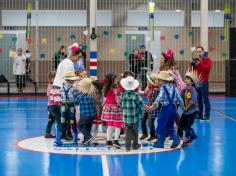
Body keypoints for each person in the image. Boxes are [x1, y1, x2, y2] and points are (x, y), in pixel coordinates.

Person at [147, 71, 184, 148]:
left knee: (161, 125)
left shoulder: (163, 88)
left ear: (163, 80)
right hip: (173, 109)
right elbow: (180, 99)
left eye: (159, 80)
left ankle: (160, 143)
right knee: (169, 126)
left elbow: (159, 98)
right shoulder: (175, 88)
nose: (159, 82)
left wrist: (152, 106)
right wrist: (184, 108)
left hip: (165, 109)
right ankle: (175, 139)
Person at [54, 71, 79, 146]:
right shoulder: (74, 88)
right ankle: (74, 139)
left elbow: (60, 97)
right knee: (73, 122)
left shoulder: (62, 88)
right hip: (71, 106)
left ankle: (57, 139)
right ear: (71, 80)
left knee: (62, 122)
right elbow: (76, 98)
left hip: (63, 107)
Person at [120, 76, 143, 152]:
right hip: (134, 117)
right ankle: (135, 144)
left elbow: (120, 104)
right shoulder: (136, 95)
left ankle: (127, 146)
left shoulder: (123, 95)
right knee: (135, 131)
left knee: (128, 132)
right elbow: (140, 104)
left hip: (126, 117)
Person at [101, 73, 123, 148]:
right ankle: (116, 141)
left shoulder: (106, 88)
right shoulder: (115, 88)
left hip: (107, 108)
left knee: (110, 125)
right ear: (113, 79)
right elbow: (118, 100)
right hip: (115, 108)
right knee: (118, 125)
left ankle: (108, 141)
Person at [190, 46, 212, 120]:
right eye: (197, 52)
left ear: (203, 52)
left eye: (200, 51)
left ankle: (207, 115)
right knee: (198, 99)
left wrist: (200, 64)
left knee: (205, 99)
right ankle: (199, 114)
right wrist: (192, 64)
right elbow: (191, 71)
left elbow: (207, 69)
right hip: (197, 82)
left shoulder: (207, 60)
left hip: (204, 82)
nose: (199, 53)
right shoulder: (195, 61)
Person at [74, 78, 97, 144]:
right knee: (88, 127)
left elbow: (76, 103)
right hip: (92, 114)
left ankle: (89, 137)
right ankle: (86, 139)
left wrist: (76, 93)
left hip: (84, 115)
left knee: (80, 126)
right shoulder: (92, 94)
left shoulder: (80, 95)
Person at [179, 69, 199, 147]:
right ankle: (193, 134)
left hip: (192, 111)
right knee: (181, 125)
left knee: (187, 126)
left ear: (192, 82)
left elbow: (192, 101)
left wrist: (186, 108)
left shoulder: (193, 90)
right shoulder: (184, 90)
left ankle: (186, 141)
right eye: (185, 79)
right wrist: (177, 105)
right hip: (185, 111)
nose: (186, 80)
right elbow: (180, 98)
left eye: (188, 79)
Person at [140, 72, 159, 141]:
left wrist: (151, 107)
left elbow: (156, 101)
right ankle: (145, 133)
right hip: (147, 107)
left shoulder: (155, 90)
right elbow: (145, 93)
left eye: (148, 81)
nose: (147, 82)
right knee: (143, 120)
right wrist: (138, 91)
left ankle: (153, 135)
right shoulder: (150, 88)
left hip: (152, 108)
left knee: (150, 122)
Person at [44, 71, 60, 138]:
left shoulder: (51, 85)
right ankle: (59, 134)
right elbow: (49, 94)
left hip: (50, 106)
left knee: (51, 120)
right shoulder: (52, 85)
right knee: (59, 120)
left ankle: (47, 133)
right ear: (51, 78)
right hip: (53, 106)